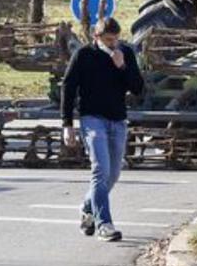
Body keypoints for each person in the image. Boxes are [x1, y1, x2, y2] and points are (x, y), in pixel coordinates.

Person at [61, 17, 144, 242]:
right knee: (100, 170)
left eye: (116, 39)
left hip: (118, 119)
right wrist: (67, 125)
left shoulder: (125, 52)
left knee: (113, 174)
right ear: (96, 37)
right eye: (109, 40)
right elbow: (68, 89)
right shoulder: (84, 55)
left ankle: (88, 208)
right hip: (92, 119)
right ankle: (104, 224)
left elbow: (138, 88)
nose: (113, 44)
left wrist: (123, 66)